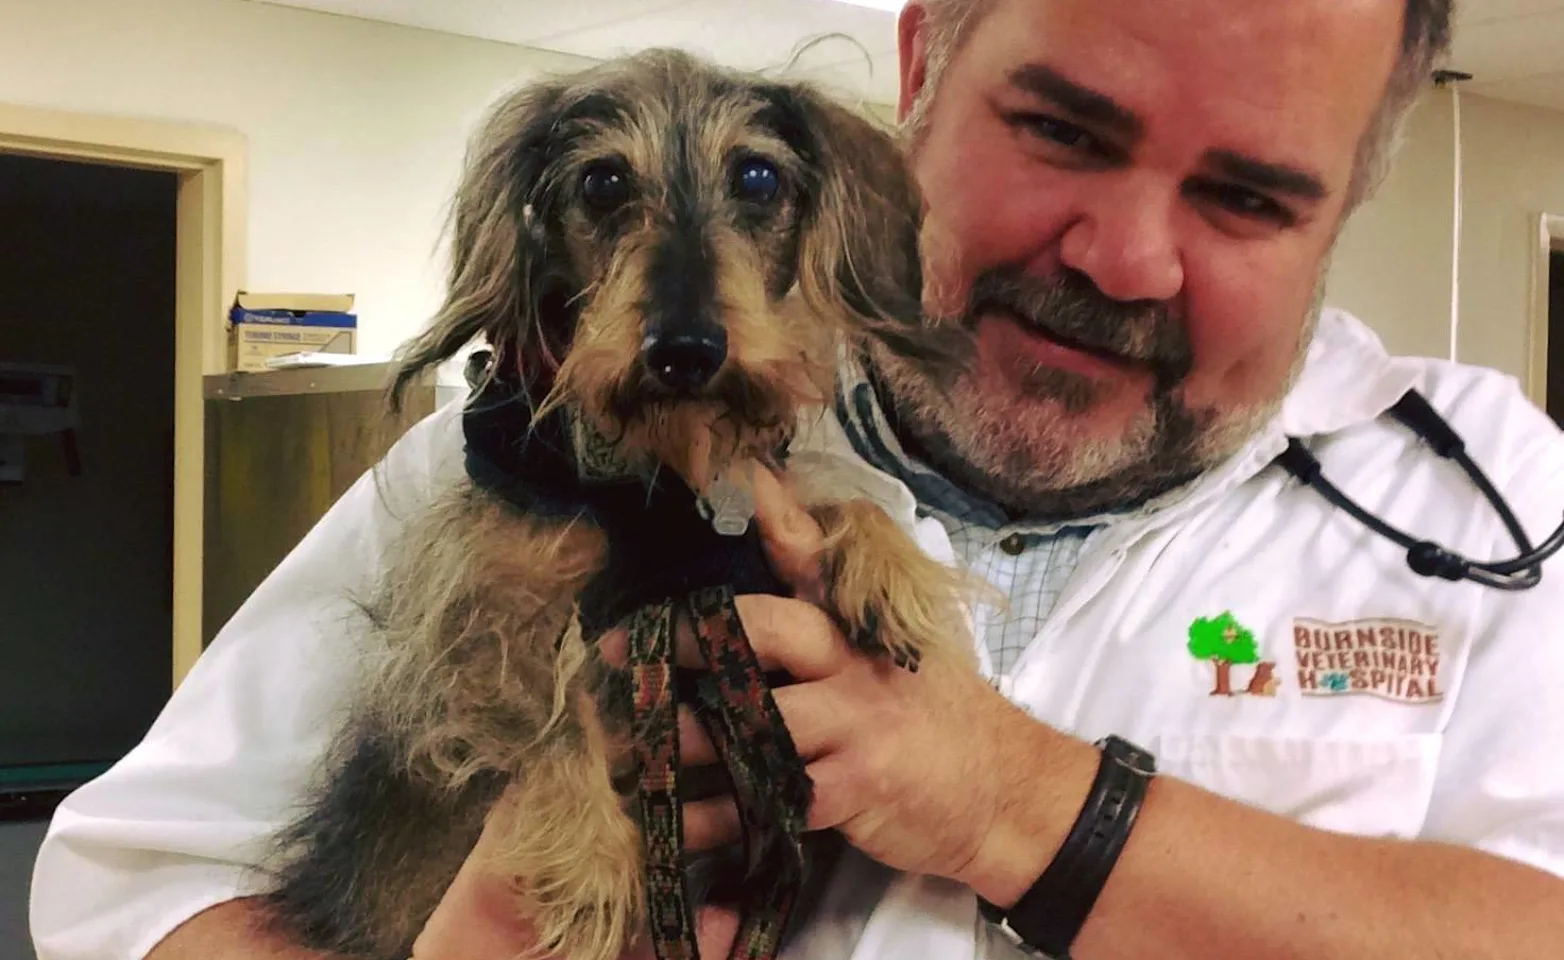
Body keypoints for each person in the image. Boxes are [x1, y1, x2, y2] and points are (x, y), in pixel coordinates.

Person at [29, 0, 1564, 957]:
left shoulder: (1486, 497)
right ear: (922, 62)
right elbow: (128, 891)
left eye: (1247, 197)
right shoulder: (525, 460)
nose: (1126, 256)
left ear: (1350, 202)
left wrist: (1013, 801)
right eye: (1059, 129)